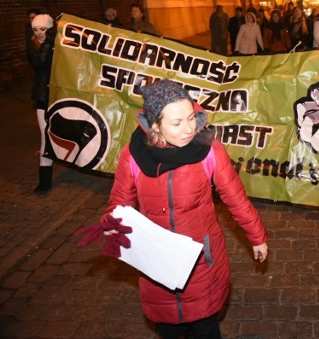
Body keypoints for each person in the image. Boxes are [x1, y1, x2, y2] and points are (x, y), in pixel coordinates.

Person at [101, 79, 268, 339]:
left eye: (191, 118)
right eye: (177, 123)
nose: (189, 129)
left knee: (206, 329)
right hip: (158, 265)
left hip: (202, 260)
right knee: (168, 329)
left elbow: (235, 197)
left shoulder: (209, 151)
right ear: (154, 125)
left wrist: (257, 237)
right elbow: (120, 202)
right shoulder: (133, 155)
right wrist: (112, 225)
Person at [26, 14, 56, 193]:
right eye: (35, 29)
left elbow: (40, 63)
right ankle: (44, 181)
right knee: (45, 136)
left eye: (43, 29)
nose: (39, 33)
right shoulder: (38, 45)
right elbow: (39, 64)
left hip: (58, 95)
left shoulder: (55, 44)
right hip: (43, 97)